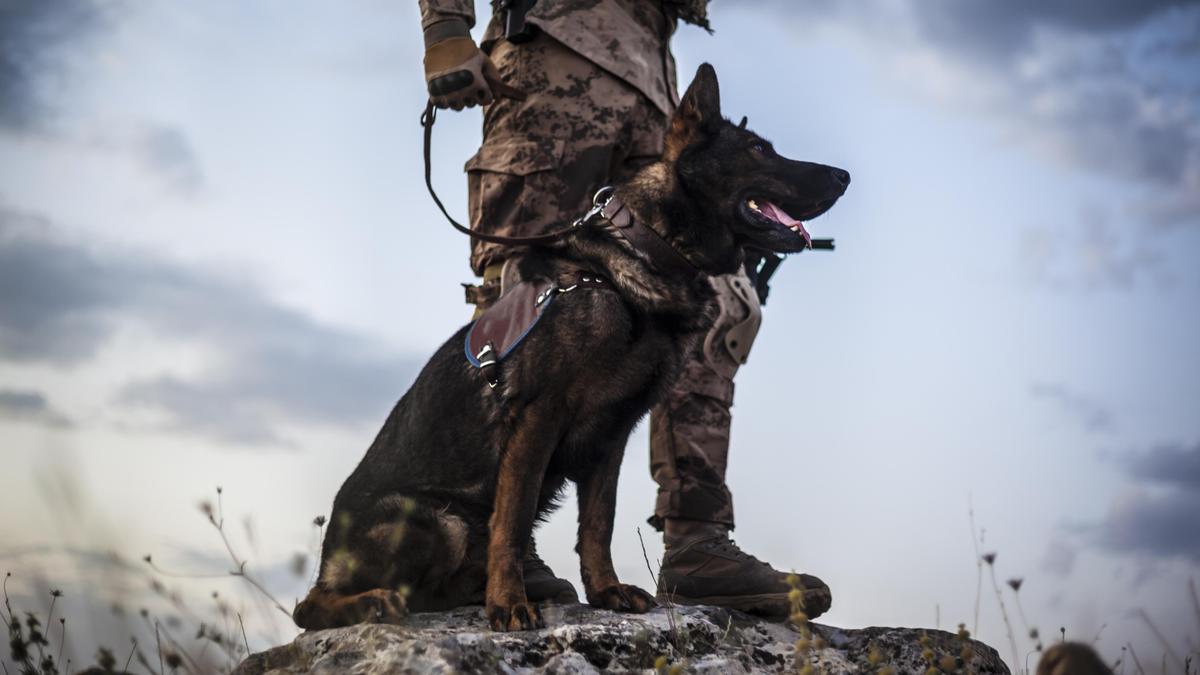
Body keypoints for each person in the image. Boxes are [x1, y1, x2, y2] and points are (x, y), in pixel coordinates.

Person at [417, 0, 831, 618]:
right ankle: (500, 547)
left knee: (720, 304)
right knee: (527, 297)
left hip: (655, 83)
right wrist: (445, 25)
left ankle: (696, 542)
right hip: (553, 54)